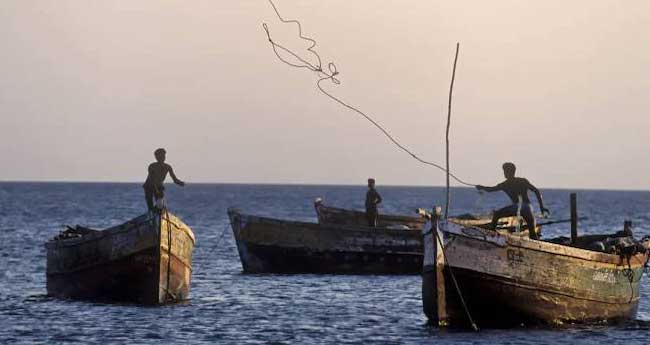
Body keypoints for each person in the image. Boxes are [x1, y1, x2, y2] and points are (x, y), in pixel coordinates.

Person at [475, 162, 549, 239]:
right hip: (528, 207)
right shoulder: (523, 181)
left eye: (505, 171)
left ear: (509, 172)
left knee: (497, 214)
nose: (504, 173)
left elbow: (491, 189)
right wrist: (542, 207)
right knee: (533, 234)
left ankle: (492, 235)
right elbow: (536, 191)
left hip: (518, 207)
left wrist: (481, 187)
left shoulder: (505, 184)